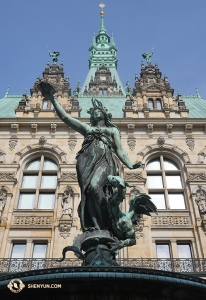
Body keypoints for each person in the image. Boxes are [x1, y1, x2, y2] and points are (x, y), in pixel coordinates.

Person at [39, 82, 143, 231]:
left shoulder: (112, 131)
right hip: (86, 161)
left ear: (104, 114)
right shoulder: (88, 129)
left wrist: (130, 164)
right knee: (88, 192)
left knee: (95, 186)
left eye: (98, 110)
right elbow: (66, 118)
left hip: (105, 160)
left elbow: (120, 150)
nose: (95, 112)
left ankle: (107, 219)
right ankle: (95, 225)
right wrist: (53, 99)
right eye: (93, 111)